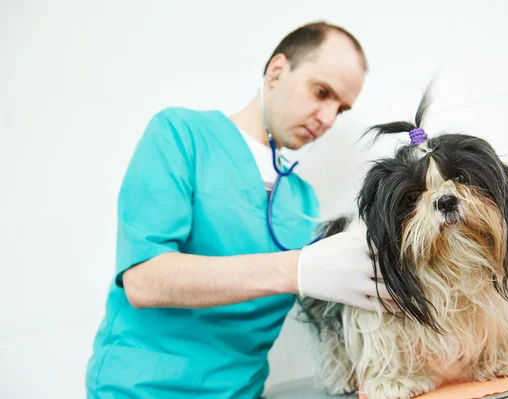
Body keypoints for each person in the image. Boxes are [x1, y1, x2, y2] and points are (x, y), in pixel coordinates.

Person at [85, 21, 392, 399]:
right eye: (321, 92)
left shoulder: (303, 202)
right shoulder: (180, 135)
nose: (327, 118)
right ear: (277, 70)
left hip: (242, 393)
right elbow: (144, 279)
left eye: (340, 109)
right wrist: (295, 269)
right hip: (143, 390)